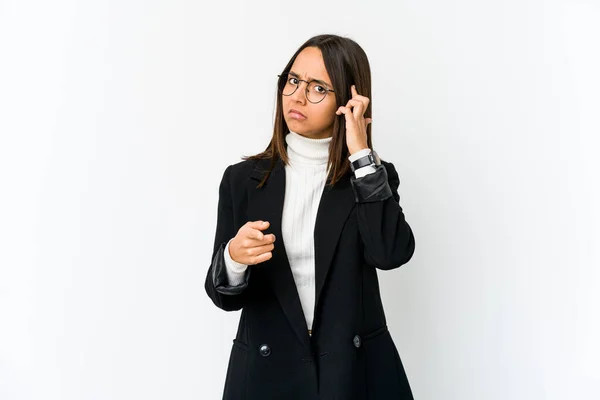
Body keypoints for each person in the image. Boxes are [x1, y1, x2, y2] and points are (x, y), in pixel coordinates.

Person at [204, 33, 416, 399]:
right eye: (293, 81)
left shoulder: (370, 177)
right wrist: (234, 258)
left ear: (348, 102)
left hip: (354, 376)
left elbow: (390, 253)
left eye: (319, 87)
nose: (298, 97)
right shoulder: (242, 181)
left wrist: (361, 155)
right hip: (267, 377)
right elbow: (223, 296)